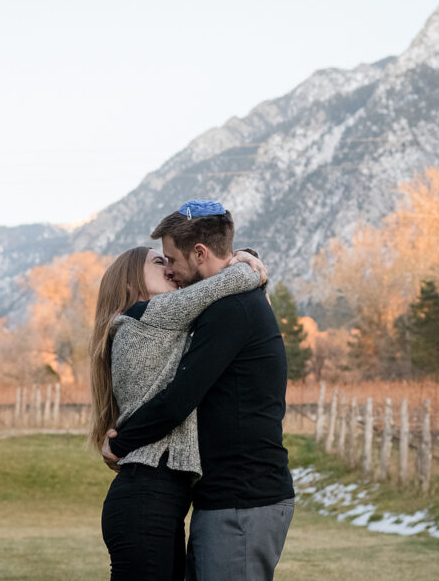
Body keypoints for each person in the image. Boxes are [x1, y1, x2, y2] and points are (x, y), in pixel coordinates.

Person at [101, 202, 294, 581]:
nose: (170, 268)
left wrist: (119, 443)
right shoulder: (151, 318)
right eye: (160, 263)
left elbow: (178, 399)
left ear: (200, 253)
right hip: (213, 497)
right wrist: (247, 263)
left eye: (169, 259)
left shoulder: (230, 309)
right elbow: (232, 280)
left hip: (240, 498)